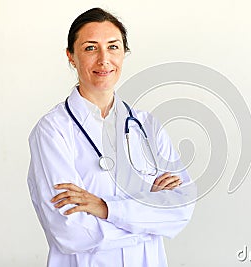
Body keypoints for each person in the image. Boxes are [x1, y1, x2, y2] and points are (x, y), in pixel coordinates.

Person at [27, 7, 196, 267]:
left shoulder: (147, 126)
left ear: (124, 53)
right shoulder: (52, 130)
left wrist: (104, 208)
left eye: (113, 47)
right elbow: (70, 231)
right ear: (71, 56)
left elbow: (180, 210)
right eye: (90, 48)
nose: (104, 59)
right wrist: (148, 215)